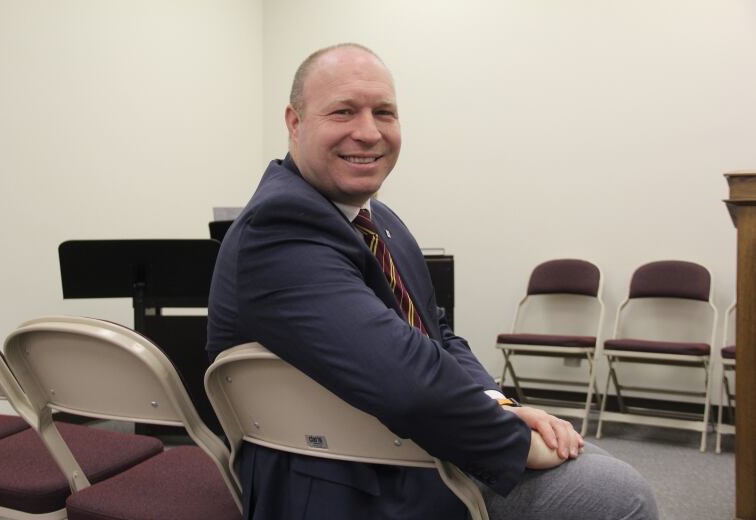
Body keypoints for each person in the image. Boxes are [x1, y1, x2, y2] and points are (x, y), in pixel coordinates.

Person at [207, 43, 658, 520]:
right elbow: (402, 378)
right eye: (343, 112)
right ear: (295, 123)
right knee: (617, 496)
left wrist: (501, 404)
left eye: (384, 112)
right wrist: (514, 439)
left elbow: (437, 334)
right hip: (348, 478)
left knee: (591, 463)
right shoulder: (280, 227)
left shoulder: (378, 219)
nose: (368, 132)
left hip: (410, 446)